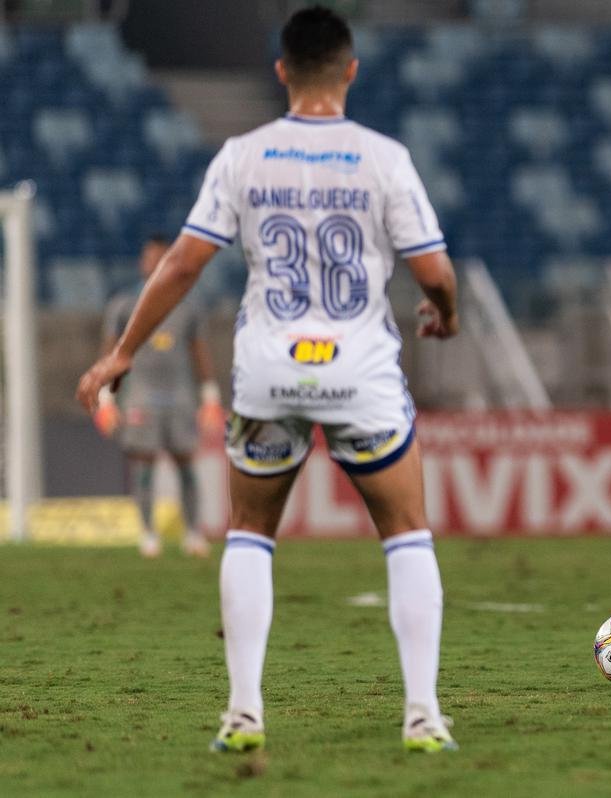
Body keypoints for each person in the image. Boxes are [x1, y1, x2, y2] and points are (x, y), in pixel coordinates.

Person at [77, 6, 460, 752]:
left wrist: (121, 352)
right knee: (406, 533)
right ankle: (423, 715)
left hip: (270, 371)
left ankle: (244, 713)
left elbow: (184, 262)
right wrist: (444, 312)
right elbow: (434, 271)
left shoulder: (242, 155)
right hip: (360, 370)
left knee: (250, 533)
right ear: (351, 71)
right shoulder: (384, 157)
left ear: (281, 71)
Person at [95, 234, 223, 559]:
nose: (153, 263)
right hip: (140, 396)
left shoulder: (189, 308)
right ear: (141, 263)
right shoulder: (123, 306)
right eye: (149, 257)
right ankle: (148, 534)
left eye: (160, 257)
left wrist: (210, 396)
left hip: (179, 396)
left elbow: (199, 353)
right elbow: (109, 354)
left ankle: (193, 533)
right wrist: (106, 400)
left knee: (185, 462)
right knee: (144, 464)